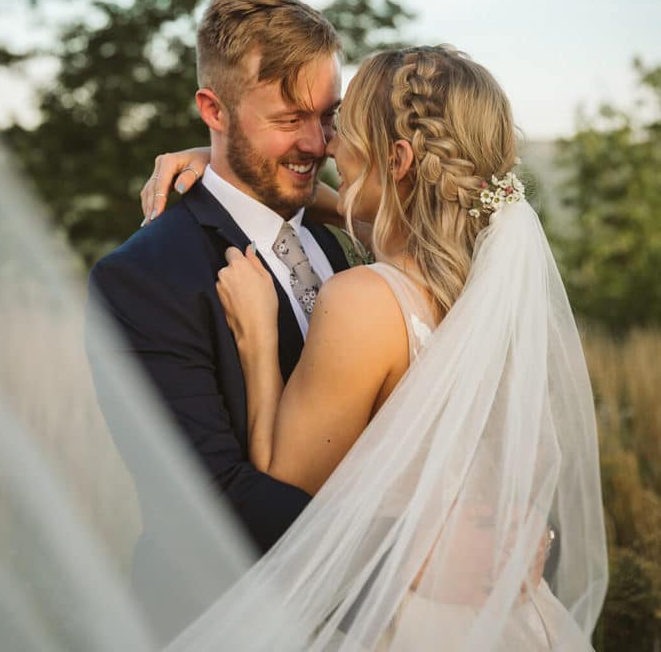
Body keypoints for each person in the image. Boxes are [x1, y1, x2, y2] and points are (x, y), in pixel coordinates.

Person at [142, 45, 608, 651]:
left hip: (408, 623)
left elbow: (285, 491)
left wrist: (258, 344)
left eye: (342, 129)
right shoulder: (486, 292)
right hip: (508, 618)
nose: (327, 146)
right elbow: (378, 213)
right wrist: (230, 168)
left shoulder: (364, 300)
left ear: (398, 157)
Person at [87, 0, 360, 641]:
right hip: (228, 620)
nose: (318, 144)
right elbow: (209, 498)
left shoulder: (329, 241)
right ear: (213, 108)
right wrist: (411, 558)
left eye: (328, 116)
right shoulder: (145, 276)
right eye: (288, 120)